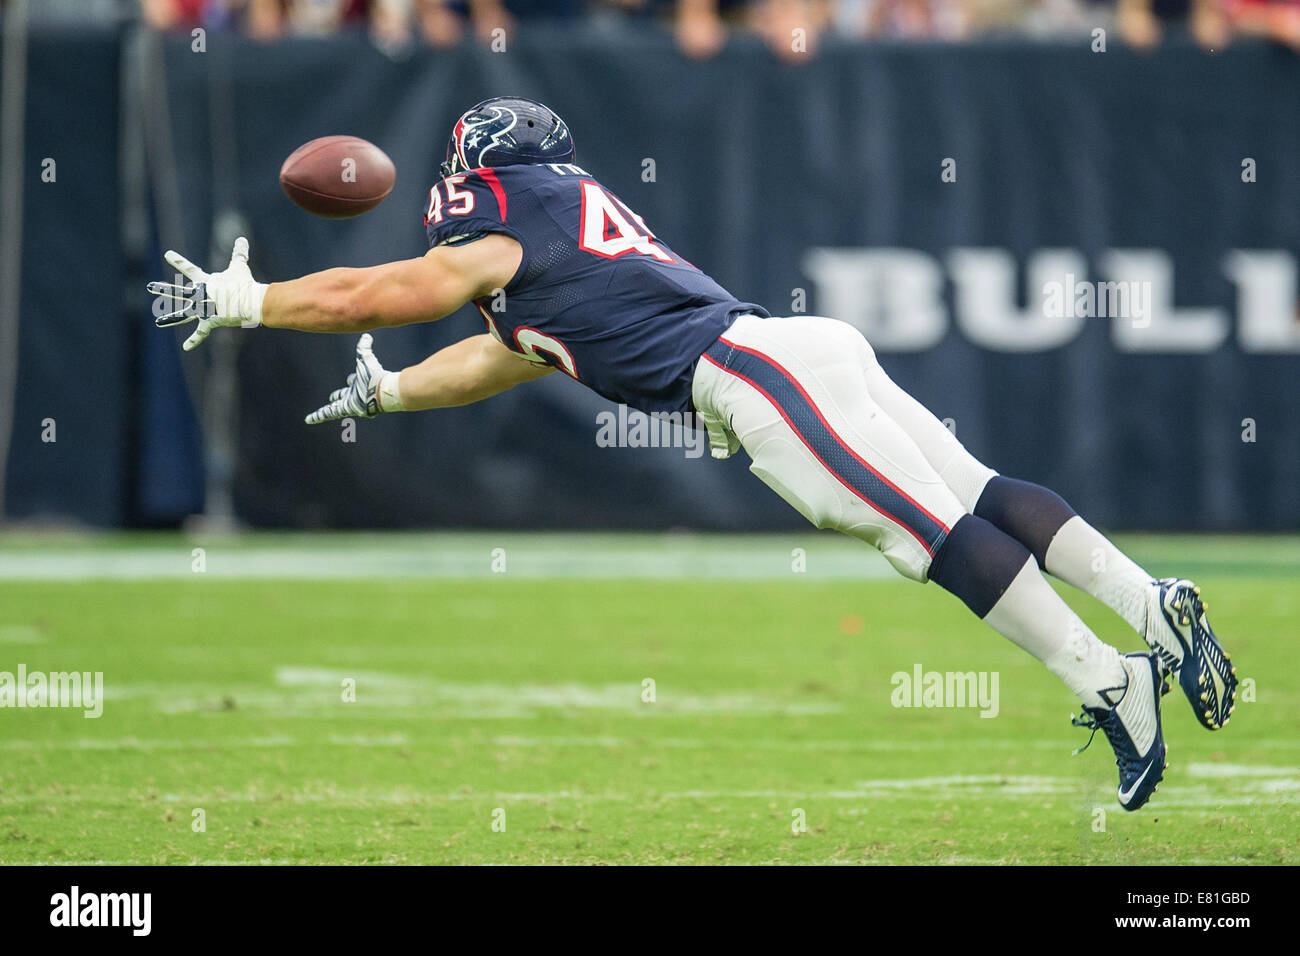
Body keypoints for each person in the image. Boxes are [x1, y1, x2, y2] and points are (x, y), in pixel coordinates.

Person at [148, 96, 1236, 811]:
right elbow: (509, 355)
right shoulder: (558, 233)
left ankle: (1114, 677)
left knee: (933, 534)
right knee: (974, 488)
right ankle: (1151, 602)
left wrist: (255, 301)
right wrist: (391, 388)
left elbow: (397, 290)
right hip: (800, 349)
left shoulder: (502, 209)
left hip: (752, 377)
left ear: (483, 169)